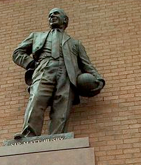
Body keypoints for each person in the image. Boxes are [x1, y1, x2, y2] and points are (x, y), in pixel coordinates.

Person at [12, 8, 105, 139]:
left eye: (56, 14)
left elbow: (86, 64)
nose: (52, 16)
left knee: (62, 106)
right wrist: (31, 63)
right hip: (44, 69)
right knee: (37, 99)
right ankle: (28, 134)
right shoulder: (36, 36)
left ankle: (57, 137)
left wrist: (98, 78)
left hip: (67, 74)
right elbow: (17, 53)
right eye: (50, 15)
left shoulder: (75, 43)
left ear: (65, 20)